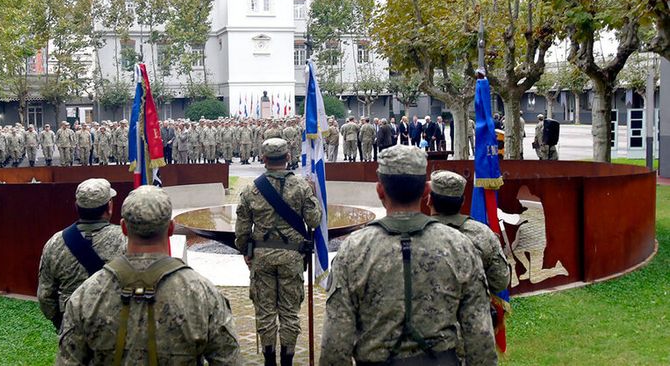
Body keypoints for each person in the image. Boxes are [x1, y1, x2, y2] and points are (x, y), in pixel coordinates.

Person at [320, 145, 497, 365]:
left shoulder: (353, 250)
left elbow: (334, 345)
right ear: (425, 192)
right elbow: (480, 337)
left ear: (380, 190)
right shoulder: (459, 246)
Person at [57, 185, 240, 365]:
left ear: (124, 228)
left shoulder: (85, 295)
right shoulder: (202, 294)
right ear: (170, 229)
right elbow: (228, 359)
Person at [235, 138, 321, 366]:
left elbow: (242, 230)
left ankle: (269, 360)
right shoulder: (302, 187)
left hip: (261, 258)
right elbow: (314, 220)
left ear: (263, 159)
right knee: (289, 312)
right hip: (292, 258)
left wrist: (245, 251)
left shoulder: (251, 189)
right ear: (288, 158)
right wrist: (314, 197)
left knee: (265, 311)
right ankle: (287, 360)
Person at [38, 179, 126, 332]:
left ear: (76, 207)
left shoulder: (54, 243)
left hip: (72, 325)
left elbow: (45, 296)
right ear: (109, 207)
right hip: (113, 327)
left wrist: (61, 324)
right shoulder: (125, 239)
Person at [430, 170, 510, 293]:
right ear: (463, 201)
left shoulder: (416, 233)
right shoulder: (482, 233)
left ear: (429, 200)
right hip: (473, 308)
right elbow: (500, 281)